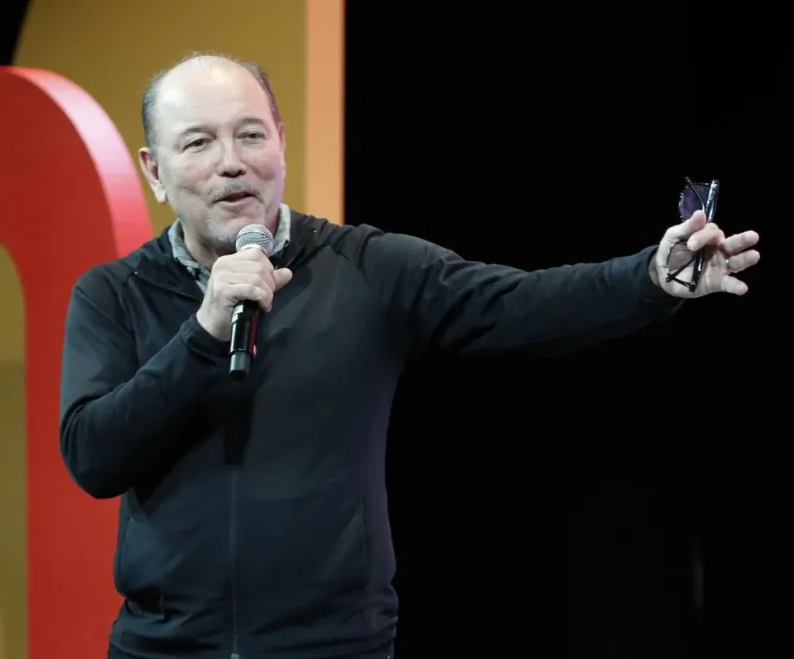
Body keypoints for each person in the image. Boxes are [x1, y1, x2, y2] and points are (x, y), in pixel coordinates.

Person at [58, 54, 759, 659]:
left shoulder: (364, 266)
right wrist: (205, 332)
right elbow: (95, 453)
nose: (231, 161)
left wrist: (647, 277)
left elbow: (520, 303)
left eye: (250, 134)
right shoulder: (114, 294)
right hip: (163, 646)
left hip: (335, 645)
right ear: (155, 169)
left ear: (282, 143)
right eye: (199, 143)